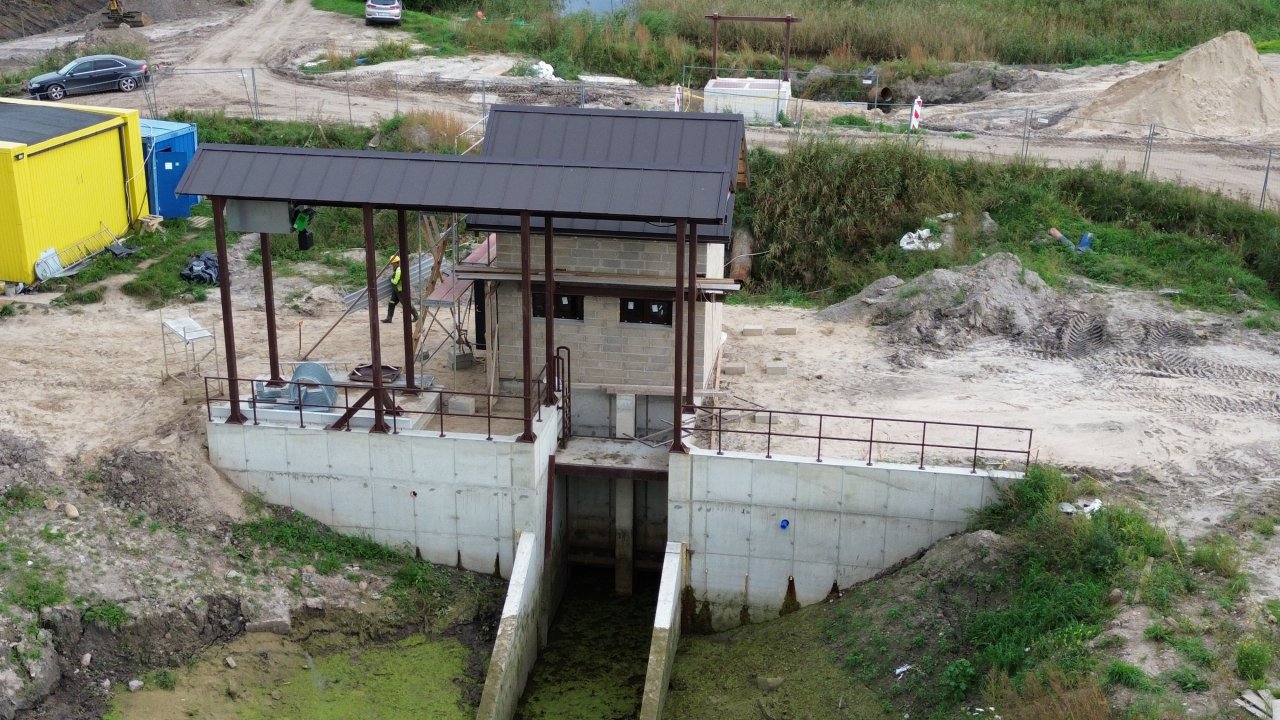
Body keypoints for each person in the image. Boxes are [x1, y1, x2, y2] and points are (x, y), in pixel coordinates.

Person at [382, 255, 418, 324]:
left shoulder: (399, 270)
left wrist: (391, 279)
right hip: (396, 291)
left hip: (401, 292)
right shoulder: (396, 269)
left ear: (396, 262)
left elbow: (395, 282)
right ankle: (389, 319)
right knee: (391, 304)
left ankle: (416, 316)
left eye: (392, 263)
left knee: (407, 305)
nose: (391, 264)